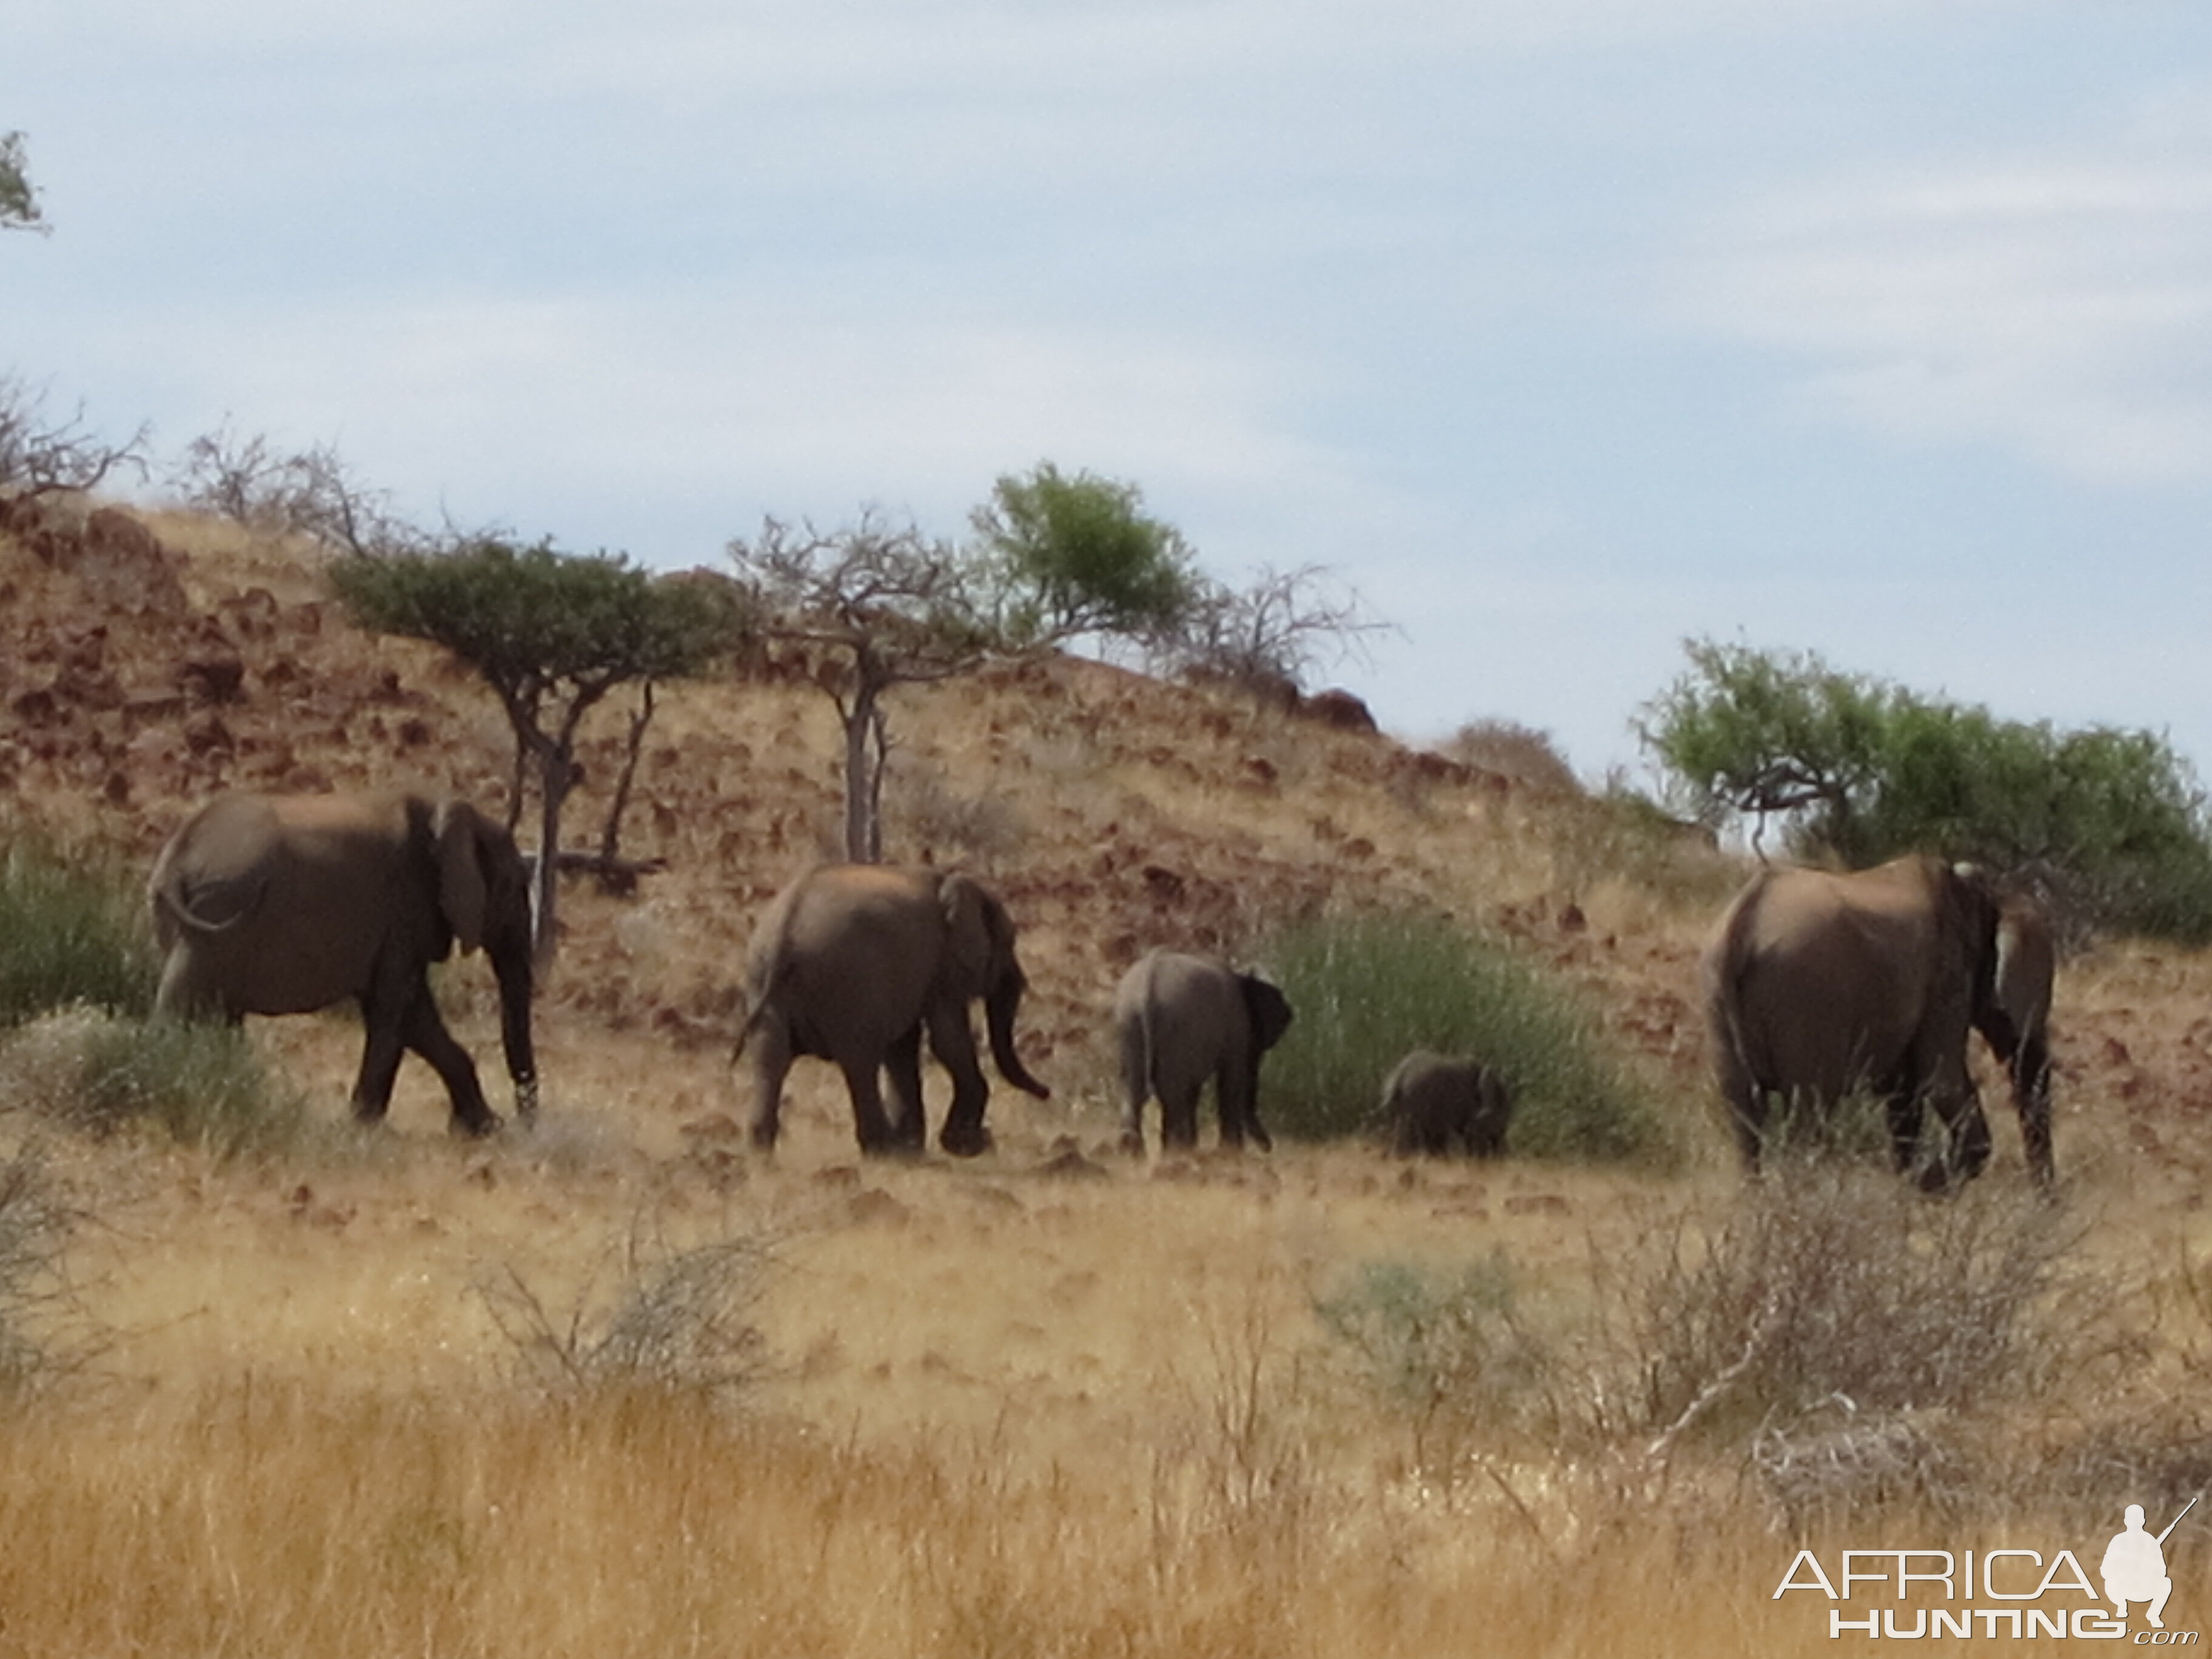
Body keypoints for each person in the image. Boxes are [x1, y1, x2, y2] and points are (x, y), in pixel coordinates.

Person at [2102, 1504, 2173, 1629]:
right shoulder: (2118, 1540)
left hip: (2145, 1588)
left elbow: (2162, 1570)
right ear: (2125, 1521)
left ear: (2143, 1521)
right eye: (2131, 1519)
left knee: (2166, 1583)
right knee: (2109, 1582)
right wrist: (2123, 1571)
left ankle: (2154, 1614)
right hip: (2122, 1588)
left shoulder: (2150, 1541)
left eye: (2137, 1520)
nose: (2134, 1523)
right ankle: (2121, 1605)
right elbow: (2105, 1569)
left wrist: (2147, 1569)